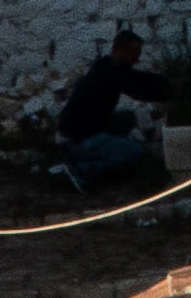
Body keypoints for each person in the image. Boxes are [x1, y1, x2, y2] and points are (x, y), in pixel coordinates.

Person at [52, 30, 169, 192]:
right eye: (133, 54)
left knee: (127, 118)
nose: (137, 60)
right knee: (138, 153)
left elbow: (138, 78)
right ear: (121, 51)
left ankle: (96, 152)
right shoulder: (111, 73)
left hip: (84, 128)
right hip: (79, 137)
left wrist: (166, 81)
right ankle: (82, 169)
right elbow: (138, 88)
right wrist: (171, 91)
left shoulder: (106, 66)